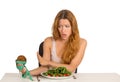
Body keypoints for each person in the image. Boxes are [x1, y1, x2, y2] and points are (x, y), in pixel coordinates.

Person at [16, 9, 87, 76]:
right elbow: (44, 68)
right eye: (60, 26)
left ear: (73, 27)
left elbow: (71, 68)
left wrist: (48, 63)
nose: (63, 30)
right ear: (56, 27)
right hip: (49, 79)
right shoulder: (48, 41)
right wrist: (27, 72)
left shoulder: (82, 43)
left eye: (67, 26)